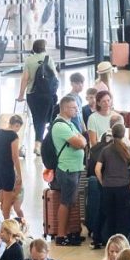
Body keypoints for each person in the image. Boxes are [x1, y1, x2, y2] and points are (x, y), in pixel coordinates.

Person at [50, 96, 89, 246]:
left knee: (71, 201)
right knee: (65, 202)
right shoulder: (60, 126)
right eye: (73, 107)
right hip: (67, 169)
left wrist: (81, 141)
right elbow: (80, 142)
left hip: (75, 168)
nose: (77, 110)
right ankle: (61, 235)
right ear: (65, 108)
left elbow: (82, 138)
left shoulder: (70, 124)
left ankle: (69, 232)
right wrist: (81, 141)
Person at [16, 40, 58, 152]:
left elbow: (25, 78)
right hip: (47, 94)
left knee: (37, 118)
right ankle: (40, 143)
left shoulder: (29, 60)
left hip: (32, 94)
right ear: (44, 48)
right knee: (45, 118)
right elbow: (55, 78)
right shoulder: (48, 59)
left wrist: (20, 95)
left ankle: (38, 143)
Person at [0, 114, 24, 220]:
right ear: (16, 125)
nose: (18, 130)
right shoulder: (13, 136)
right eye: (18, 127)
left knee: (1, 194)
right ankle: (5, 223)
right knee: (7, 200)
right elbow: (15, 156)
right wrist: (19, 175)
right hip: (7, 169)